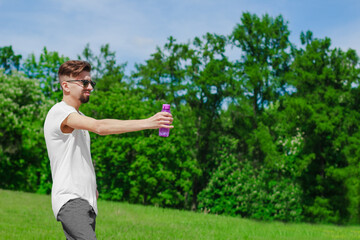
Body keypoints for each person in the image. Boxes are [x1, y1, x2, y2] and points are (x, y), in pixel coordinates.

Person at [44, 60, 173, 240]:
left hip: (86, 202)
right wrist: (148, 122)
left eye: (91, 83)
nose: (90, 87)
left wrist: (92, 187)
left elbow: (78, 156)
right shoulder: (60, 112)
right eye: (84, 82)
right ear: (65, 86)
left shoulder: (78, 117)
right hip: (71, 200)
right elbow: (100, 126)